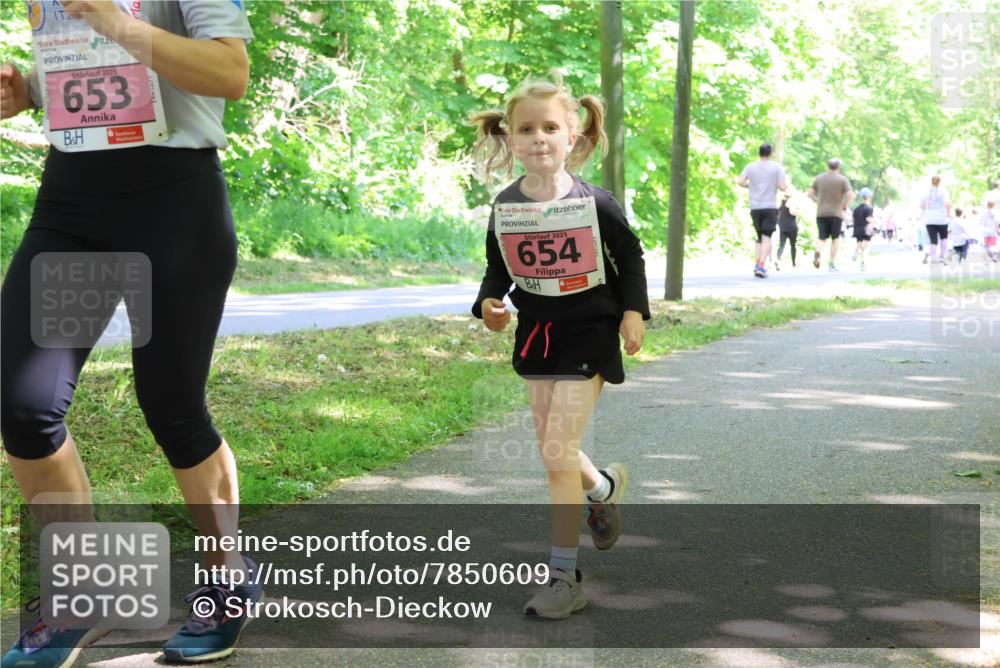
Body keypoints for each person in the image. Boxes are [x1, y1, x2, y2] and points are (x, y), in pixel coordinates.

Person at [1, 2, 258, 665]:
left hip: (173, 201)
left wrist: (113, 20)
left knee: (172, 407)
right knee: (25, 405)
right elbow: (88, 69)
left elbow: (230, 72)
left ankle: (226, 582)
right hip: (74, 204)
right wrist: (29, 90)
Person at [469, 73, 649, 619]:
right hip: (538, 335)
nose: (539, 137)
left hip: (591, 329)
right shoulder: (506, 207)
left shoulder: (596, 203)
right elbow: (496, 271)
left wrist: (634, 312)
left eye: (551, 127)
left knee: (554, 455)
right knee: (557, 448)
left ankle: (563, 578)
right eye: (527, 129)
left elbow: (632, 256)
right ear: (511, 139)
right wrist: (488, 308)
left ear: (572, 136)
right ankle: (602, 489)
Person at [737, 143, 788, 278]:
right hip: (770, 206)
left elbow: (740, 181)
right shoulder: (777, 167)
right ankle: (761, 266)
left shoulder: (750, 167)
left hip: (755, 207)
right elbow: (783, 186)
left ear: (759, 153)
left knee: (759, 237)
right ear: (770, 153)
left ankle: (757, 263)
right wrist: (777, 185)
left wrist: (751, 186)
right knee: (767, 237)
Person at [806, 158, 853, 272]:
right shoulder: (842, 180)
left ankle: (818, 251)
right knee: (835, 239)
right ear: (838, 167)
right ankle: (831, 263)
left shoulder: (819, 178)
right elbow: (849, 194)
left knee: (822, 237)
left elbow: (809, 193)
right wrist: (844, 205)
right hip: (836, 213)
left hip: (821, 213)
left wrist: (818, 201)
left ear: (828, 166)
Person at [920, 175, 951, 265]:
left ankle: (934, 258)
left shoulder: (925, 192)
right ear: (939, 182)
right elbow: (947, 204)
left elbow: (922, 206)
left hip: (929, 219)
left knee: (933, 239)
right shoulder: (944, 192)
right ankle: (942, 256)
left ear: (931, 181)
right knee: (944, 238)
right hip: (941, 219)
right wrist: (948, 214)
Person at [852, 188, 876, 271]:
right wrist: (875, 221)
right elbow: (868, 219)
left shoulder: (856, 209)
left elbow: (854, 219)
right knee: (865, 247)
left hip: (857, 229)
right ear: (869, 197)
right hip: (867, 230)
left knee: (860, 243)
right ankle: (863, 263)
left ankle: (856, 250)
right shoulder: (869, 208)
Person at [775, 192, 799, 270]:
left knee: (782, 244)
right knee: (793, 245)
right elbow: (793, 212)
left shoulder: (780, 205)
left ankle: (778, 259)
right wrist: (798, 211)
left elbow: (777, 216)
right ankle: (793, 263)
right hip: (792, 227)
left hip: (782, 227)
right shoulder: (790, 203)